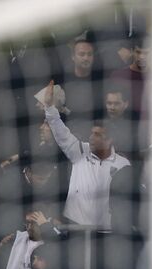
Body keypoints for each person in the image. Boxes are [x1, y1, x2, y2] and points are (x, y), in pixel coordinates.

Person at [40, 80, 130, 229]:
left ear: (109, 140)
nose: (90, 138)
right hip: (75, 228)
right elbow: (61, 132)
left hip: (105, 232)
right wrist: (49, 107)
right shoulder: (80, 152)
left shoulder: (123, 165)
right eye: (91, 134)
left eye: (97, 135)